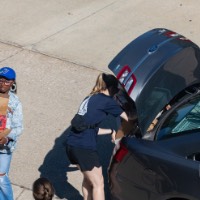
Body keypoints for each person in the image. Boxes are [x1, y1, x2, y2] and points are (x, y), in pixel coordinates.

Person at [66, 73, 129, 200]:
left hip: (72, 145)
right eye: (116, 89)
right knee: (98, 183)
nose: (116, 92)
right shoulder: (107, 101)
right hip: (84, 148)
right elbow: (127, 117)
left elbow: (89, 127)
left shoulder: (90, 98)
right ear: (110, 88)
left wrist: (110, 130)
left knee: (89, 180)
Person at [0, 67, 23, 200]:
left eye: (6, 81)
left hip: (4, 148)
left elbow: (19, 128)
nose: (2, 83)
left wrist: (7, 138)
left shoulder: (15, 102)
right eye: (0, 80)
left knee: (1, 179)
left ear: (12, 82)